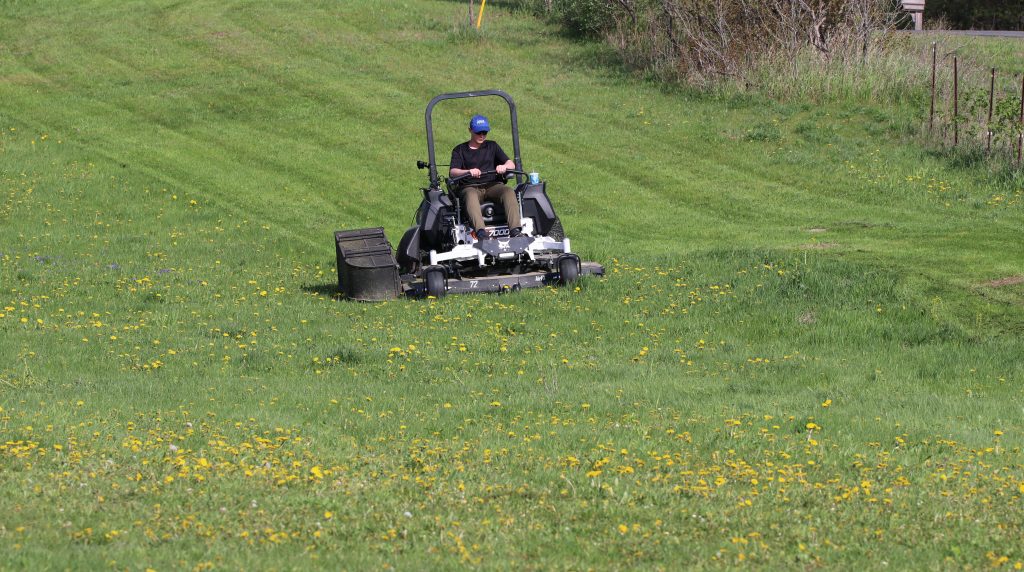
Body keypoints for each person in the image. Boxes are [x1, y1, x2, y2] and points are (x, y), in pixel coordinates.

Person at [449, 114, 523, 240]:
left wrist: (504, 167)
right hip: (470, 186)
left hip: (492, 185)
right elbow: (453, 172)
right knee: (470, 195)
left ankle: (515, 230)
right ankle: (481, 233)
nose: (482, 135)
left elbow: (511, 163)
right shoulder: (460, 150)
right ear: (470, 131)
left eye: (485, 132)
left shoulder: (492, 146)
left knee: (508, 191)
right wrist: (468, 171)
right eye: (479, 132)